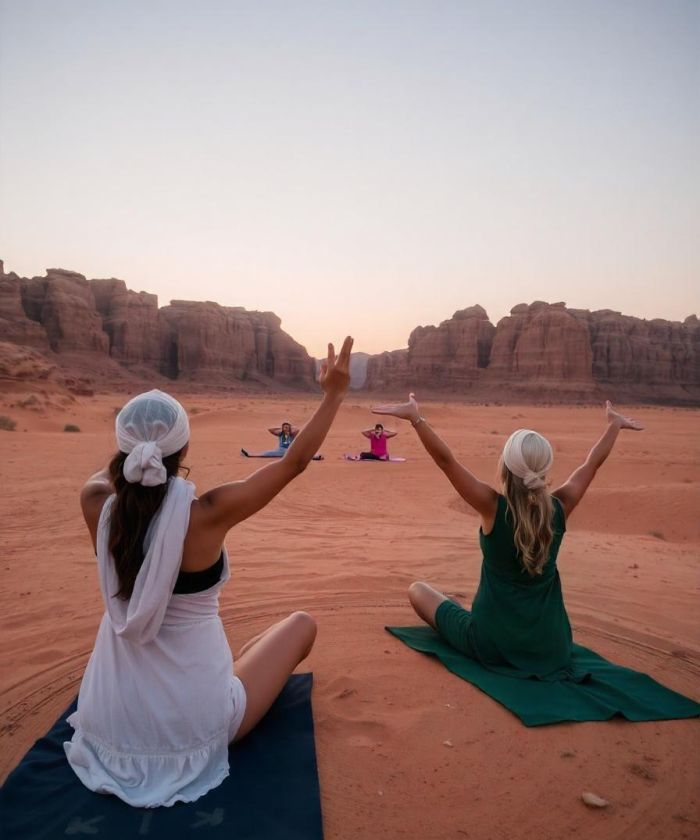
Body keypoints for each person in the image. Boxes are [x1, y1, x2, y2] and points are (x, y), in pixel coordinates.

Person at [64, 337, 353, 807]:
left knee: (259, 649)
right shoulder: (208, 513)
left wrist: (133, 447)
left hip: (107, 725)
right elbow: (295, 462)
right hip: (194, 729)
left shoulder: (97, 505)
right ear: (182, 448)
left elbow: (103, 476)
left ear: (125, 451)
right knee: (301, 625)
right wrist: (334, 394)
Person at [371, 394, 644, 677]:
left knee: (418, 590)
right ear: (544, 468)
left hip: (492, 644)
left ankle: (457, 610)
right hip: (552, 647)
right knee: (446, 601)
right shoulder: (560, 507)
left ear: (507, 466)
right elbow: (591, 464)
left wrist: (416, 418)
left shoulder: (492, 506)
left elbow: (446, 461)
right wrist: (614, 425)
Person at [241, 421, 323, 460]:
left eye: (287, 427)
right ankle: (249, 455)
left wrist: (290, 428)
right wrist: (281, 429)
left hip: (290, 450)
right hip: (281, 451)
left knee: (302, 455)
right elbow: (270, 430)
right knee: (268, 454)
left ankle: (317, 457)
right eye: (284, 427)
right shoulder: (280, 434)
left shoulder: (292, 434)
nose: (286, 428)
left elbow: (298, 430)